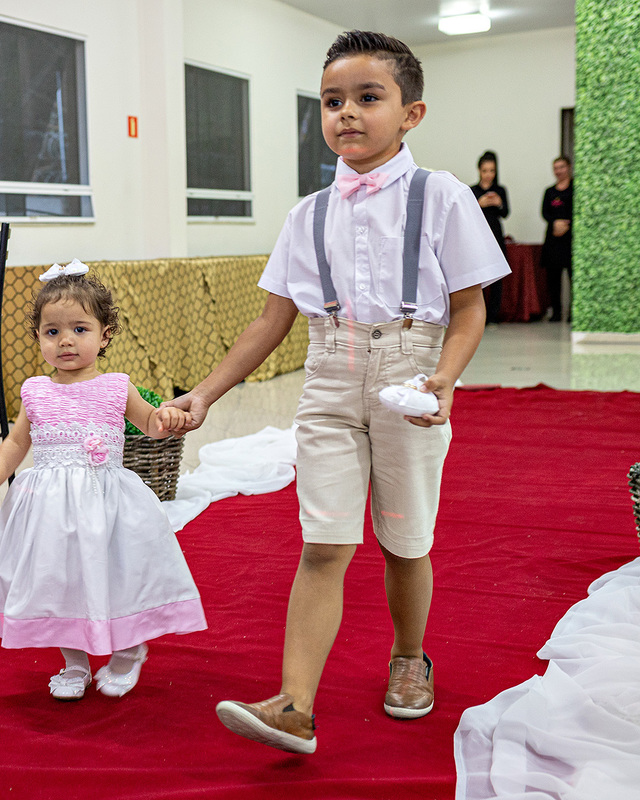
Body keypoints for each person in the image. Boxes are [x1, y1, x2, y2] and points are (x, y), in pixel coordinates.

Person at [165, 31, 509, 754]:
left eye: (366, 97)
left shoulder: (442, 196)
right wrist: (205, 394)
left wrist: (443, 378)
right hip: (327, 377)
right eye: (331, 101)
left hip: (410, 373)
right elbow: (271, 321)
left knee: (404, 540)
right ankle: (294, 705)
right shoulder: (308, 214)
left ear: (411, 113)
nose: (346, 112)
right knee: (322, 542)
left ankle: (410, 657)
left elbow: (471, 307)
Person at [0, 263, 206, 701]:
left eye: (79, 328)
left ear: (105, 334)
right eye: (52, 332)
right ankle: (74, 662)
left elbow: (148, 425)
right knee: (60, 582)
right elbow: (19, 441)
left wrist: (166, 416)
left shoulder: (117, 386)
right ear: (38, 337)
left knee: (119, 577)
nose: (66, 341)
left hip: (106, 502)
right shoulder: (35, 390)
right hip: (50, 510)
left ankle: (129, 652)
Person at [471, 150, 509, 323]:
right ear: (479, 170)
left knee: (496, 276)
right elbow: (467, 215)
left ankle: (493, 315)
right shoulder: (472, 190)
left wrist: (499, 203)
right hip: (478, 237)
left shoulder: (500, 190)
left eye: (492, 171)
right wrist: (479, 204)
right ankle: (478, 316)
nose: (488, 174)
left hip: (496, 235)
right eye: (485, 170)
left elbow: (506, 213)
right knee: (478, 277)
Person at [540, 156, 573, 322]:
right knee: (553, 279)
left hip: (570, 240)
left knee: (573, 277)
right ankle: (557, 312)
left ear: (568, 167)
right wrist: (555, 223)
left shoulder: (576, 188)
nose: (559, 171)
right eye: (556, 168)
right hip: (553, 240)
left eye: (561, 167)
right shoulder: (550, 192)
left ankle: (574, 313)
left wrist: (567, 224)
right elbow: (545, 213)